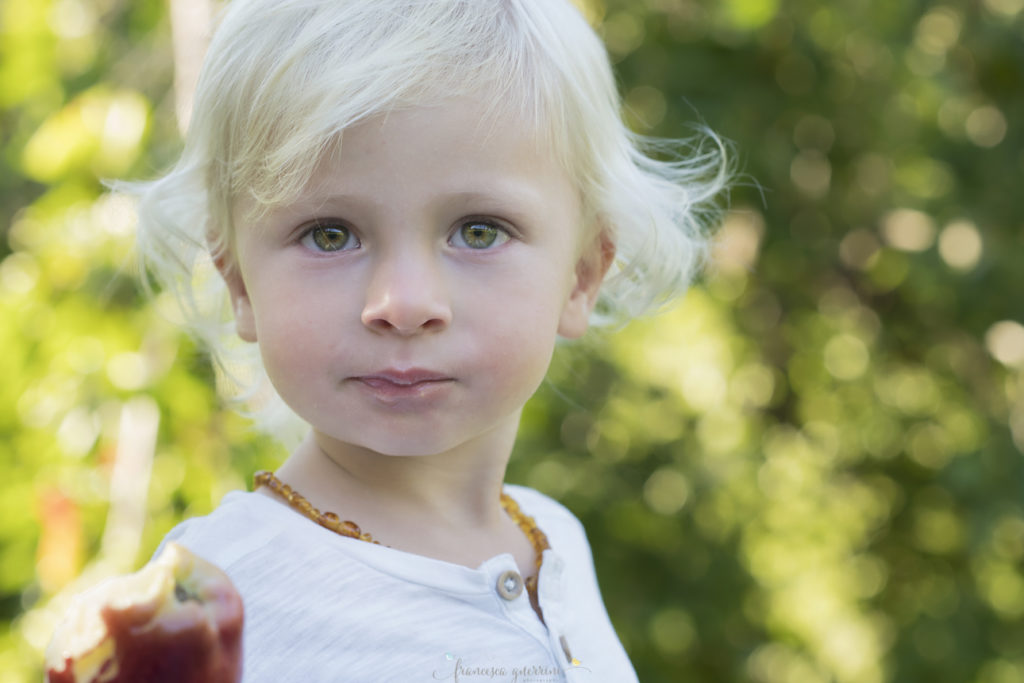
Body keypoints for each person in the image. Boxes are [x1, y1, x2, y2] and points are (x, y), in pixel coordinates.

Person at [133, 0, 730, 679]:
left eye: (478, 231)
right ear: (239, 282)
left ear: (581, 275)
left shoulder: (555, 538)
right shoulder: (208, 602)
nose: (403, 303)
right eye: (330, 233)